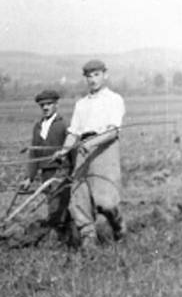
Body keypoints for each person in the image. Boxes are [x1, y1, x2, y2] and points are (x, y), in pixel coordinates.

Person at [52, 59, 125, 249]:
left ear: (105, 75)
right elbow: (74, 132)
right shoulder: (81, 104)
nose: (92, 79)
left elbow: (113, 132)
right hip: (83, 149)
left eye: (96, 75)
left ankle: (118, 226)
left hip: (105, 149)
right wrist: (64, 150)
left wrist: (91, 143)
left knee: (107, 201)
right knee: (79, 194)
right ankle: (88, 238)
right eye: (89, 76)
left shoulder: (114, 99)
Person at [18, 89, 73, 245]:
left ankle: (62, 238)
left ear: (56, 104)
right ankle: (64, 237)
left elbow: (73, 148)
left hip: (62, 171)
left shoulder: (64, 124)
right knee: (53, 203)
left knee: (57, 205)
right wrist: (29, 178)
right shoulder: (38, 126)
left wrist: (71, 170)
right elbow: (34, 154)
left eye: (49, 104)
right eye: (42, 105)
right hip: (46, 173)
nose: (45, 107)